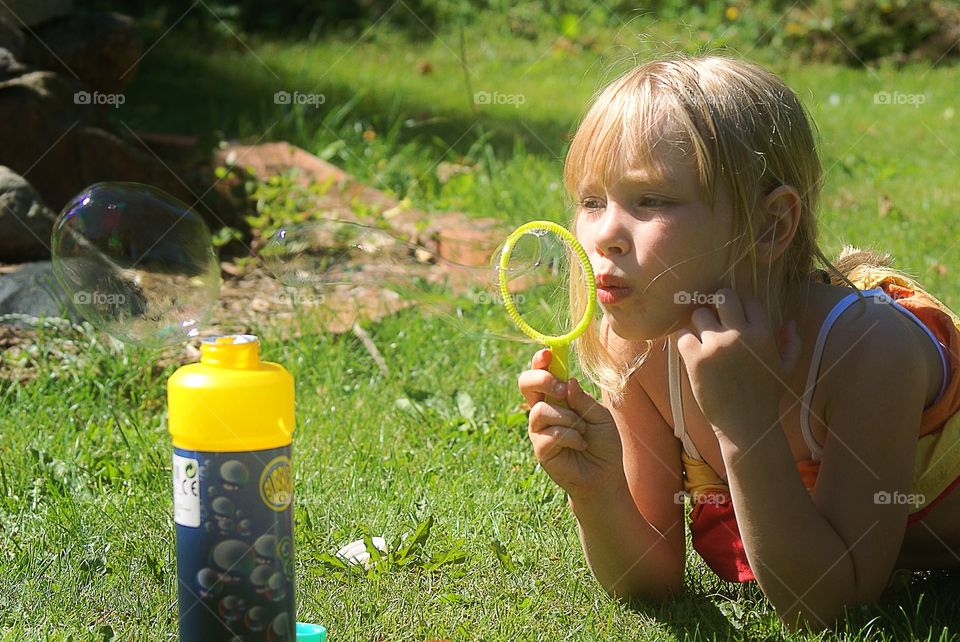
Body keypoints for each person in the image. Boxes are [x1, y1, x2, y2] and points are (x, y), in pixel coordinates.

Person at [517, 55, 960, 633]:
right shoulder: (640, 345)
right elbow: (651, 581)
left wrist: (746, 428)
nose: (604, 236)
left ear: (772, 226)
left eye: (652, 201)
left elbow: (834, 606)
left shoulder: (867, 352)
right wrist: (596, 489)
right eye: (592, 201)